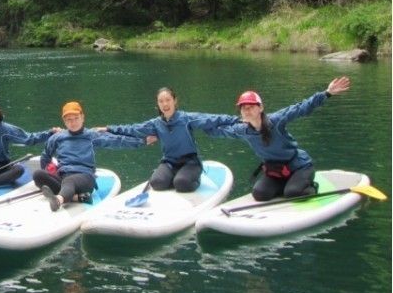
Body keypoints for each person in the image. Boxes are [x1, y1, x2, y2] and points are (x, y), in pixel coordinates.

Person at [208, 76, 351, 201]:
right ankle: (287, 186)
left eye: (251, 106)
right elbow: (220, 131)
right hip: (276, 171)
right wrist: (196, 125)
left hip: (299, 167)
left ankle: (309, 187)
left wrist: (327, 93)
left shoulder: (275, 121)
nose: (247, 110)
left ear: (261, 108)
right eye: (243, 107)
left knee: (293, 193)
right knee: (260, 194)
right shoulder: (242, 130)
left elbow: (301, 108)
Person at [97, 87, 237, 192]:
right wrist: (109, 129)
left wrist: (236, 120)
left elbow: (212, 119)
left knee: (182, 184)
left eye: (168, 100)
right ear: (158, 104)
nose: (165, 104)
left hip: (190, 162)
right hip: (170, 162)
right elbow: (133, 129)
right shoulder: (156, 123)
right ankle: (175, 178)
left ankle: (192, 178)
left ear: (175, 101)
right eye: (161, 101)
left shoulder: (186, 119)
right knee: (157, 184)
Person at [36, 101, 147, 212]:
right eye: (69, 119)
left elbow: (117, 141)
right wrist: (49, 169)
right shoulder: (57, 137)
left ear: (82, 117)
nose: (73, 122)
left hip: (85, 177)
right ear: (64, 121)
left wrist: (143, 141)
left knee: (69, 182)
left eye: (76, 118)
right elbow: (45, 156)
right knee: (38, 175)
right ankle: (76, 197)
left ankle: (58, 200)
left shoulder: (91, 135)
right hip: (63, 176)